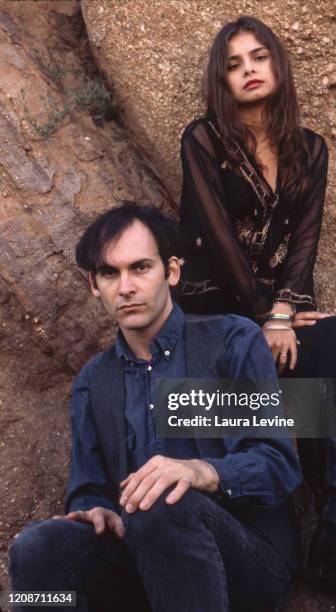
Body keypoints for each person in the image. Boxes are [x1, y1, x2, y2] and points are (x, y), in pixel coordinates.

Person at [177, 15, 336, 612]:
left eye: (259, 57)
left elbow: (305, 245)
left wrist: (283, 309)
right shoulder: (202, 142)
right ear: (221, 80)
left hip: (271, 316)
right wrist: (263, 318)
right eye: (234, 63)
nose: (249, 70)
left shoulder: (312, 150)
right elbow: (220, 244)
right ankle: (296, 535)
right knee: (280, 360)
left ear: (278, 66)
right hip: (213, 319)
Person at [9, 202, 303, 612]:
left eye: (140, 268)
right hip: (145, 569)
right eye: (110, 273)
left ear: (173, 271)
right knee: (36, 547)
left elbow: (277, 463)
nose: (125, 286)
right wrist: (93, 511)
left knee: (165, 503)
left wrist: (200, 471)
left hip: (247, 560)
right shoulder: (93, 383)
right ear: (94, 284)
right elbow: (89, 488)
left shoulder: (231, 341)